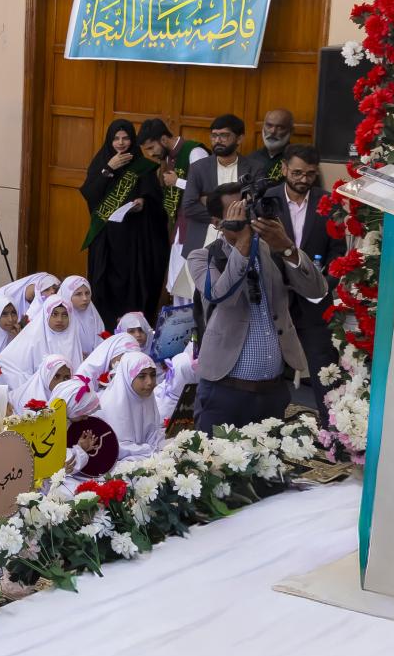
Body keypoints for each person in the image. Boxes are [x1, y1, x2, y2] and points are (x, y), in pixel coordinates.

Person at [187, 183, 327, 431]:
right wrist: (242, 243)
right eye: (236, 210)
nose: (246, 216)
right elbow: (221, 295)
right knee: (214, 455)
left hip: (273, 389)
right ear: (217, 222)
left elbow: (317, 290)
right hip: (224, 389)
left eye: (247, 207)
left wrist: (287, 247)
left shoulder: (271, 250)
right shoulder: (203, 257)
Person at [270, 145, 344, 411]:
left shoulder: (328, 203)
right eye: (297, 172)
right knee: (267, 369)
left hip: (314, 302)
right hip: (275, 300)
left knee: (325, 370)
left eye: (310, 174)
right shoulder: (267, 200)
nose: (303, 179)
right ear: (284, 169)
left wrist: (323, 286)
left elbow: (338, 253)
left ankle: (332, 427)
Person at [81, 119, 172, 327]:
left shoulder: (143, 166)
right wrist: (108, 169)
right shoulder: (101, 163)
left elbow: (157, 202)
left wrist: (144, 202)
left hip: (134, 242)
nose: (121, 143)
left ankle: (134, 331)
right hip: (107, 240)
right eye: (116, 138)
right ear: (109, 140)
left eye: (125, 138)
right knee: (104, 288)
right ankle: (105, 332)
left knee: (134, 288)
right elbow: (90, 194)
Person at [180, 113, 263, 252]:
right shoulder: (198, 168)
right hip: (204, 240)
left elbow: (256, 205)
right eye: (214, 136)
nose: (217, 140)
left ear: (239, 138)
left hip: (241, 242)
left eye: (224, 135)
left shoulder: (254, 168)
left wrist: (209, 201)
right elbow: (189, 207)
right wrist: (224, 217)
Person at [249, 108, 296, 185]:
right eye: (269, 126)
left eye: (280, 127)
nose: (272, 131)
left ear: (291, 131)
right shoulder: (251, 158)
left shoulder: (299, 160)